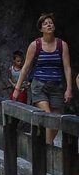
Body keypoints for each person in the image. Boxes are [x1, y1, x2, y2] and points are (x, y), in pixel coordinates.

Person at [12, 12, 73, 145]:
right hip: (39, 86)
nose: (49, 25)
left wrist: (69, 88)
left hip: (57, 86)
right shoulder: (35, 45)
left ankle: (45, 146)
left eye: (51, 23)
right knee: (48, 116)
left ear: (54, 27)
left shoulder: (62, 45)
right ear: (41, 29)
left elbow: (67, 67)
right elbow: (26, 67)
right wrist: (17, 88)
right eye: (45, 24)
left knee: (56, 122)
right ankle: (47, 149)